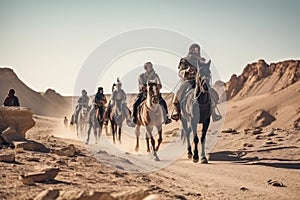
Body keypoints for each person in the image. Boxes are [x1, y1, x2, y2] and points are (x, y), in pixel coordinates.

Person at [171, 43, 222, 122]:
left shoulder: (202, 60)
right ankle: (177, 113)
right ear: (191, 50)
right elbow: (180, 72)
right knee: (177, 95)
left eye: (197, 49)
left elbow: (206, 70)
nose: (196, 51)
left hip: (201, 81)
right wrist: (186, 71)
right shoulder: (184, 60)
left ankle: (214, 113)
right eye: (194, 49)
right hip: (188, 81)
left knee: (213, 94)